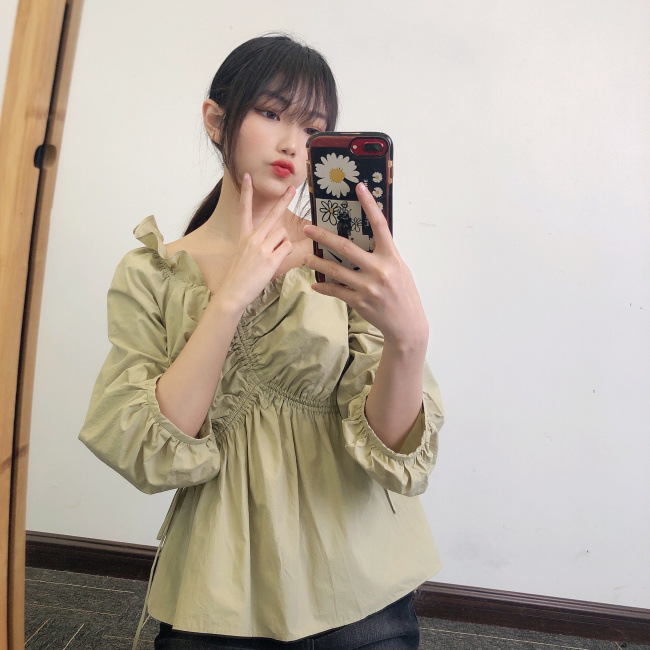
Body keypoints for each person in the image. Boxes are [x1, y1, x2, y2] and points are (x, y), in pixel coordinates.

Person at [79, 34, 444, 650]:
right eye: (272, 113)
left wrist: (410, 339)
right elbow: (150, 450)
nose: (293, 144)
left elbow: (393, 447)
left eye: (313, 128)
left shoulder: (345, 262)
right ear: (216, 120)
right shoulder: (153, 272)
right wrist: (229, 299)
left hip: (358, 578)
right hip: (218, 584)